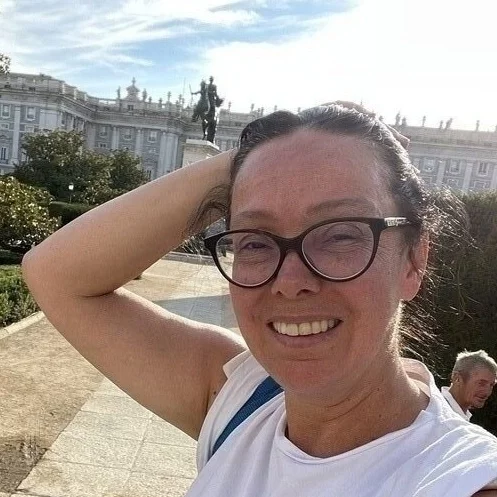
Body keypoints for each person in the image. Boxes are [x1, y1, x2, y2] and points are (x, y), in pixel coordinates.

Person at [22, 103, 497, 496]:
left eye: (339, 235)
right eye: (254, 241)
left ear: (414, 261)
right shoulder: (243, 400)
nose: (289, 281)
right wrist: (269, 152)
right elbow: (54, 274)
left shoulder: (461, 478)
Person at [441, 350, 497, 421]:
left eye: (491, 385)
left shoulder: (456, 414)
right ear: (457, 378)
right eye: (481, 383)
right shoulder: (437, 412)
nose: (487, 392)